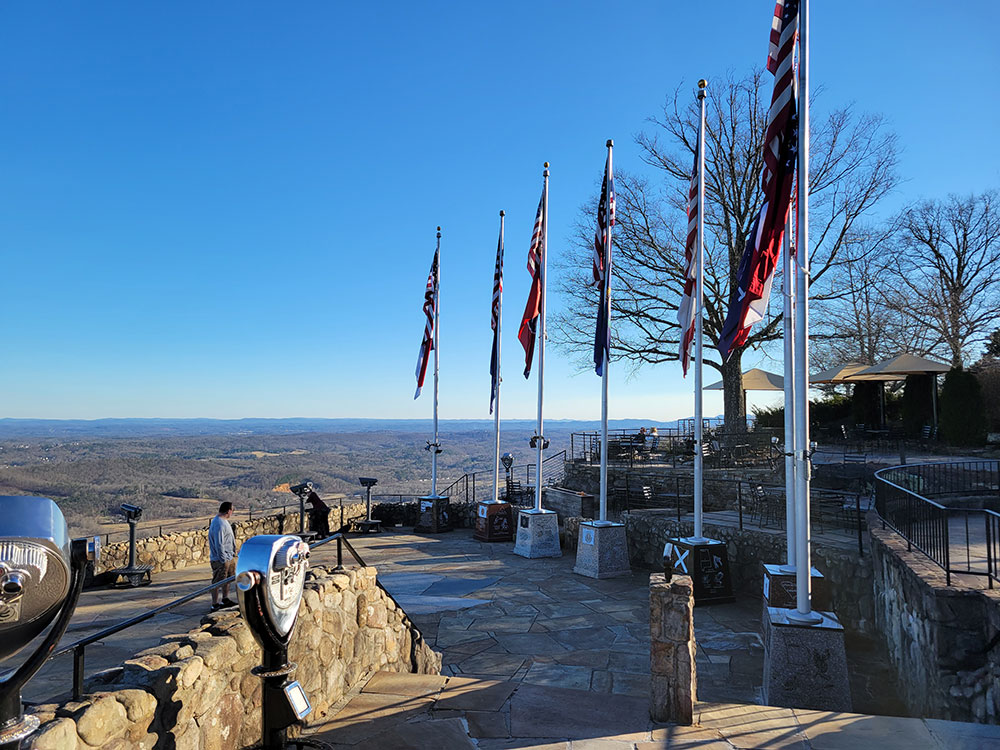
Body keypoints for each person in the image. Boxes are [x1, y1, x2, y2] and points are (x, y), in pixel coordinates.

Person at [209, 502, 237, 611]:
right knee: (217, 582)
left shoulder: (223, 521)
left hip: (228, 556)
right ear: (228, 511)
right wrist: (223, 559)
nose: (232, 513)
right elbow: (219, 543)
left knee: (228, 579)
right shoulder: (219, 524)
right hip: (221, 559)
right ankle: (215, 604)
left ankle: (225, 599)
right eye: (232, 511)